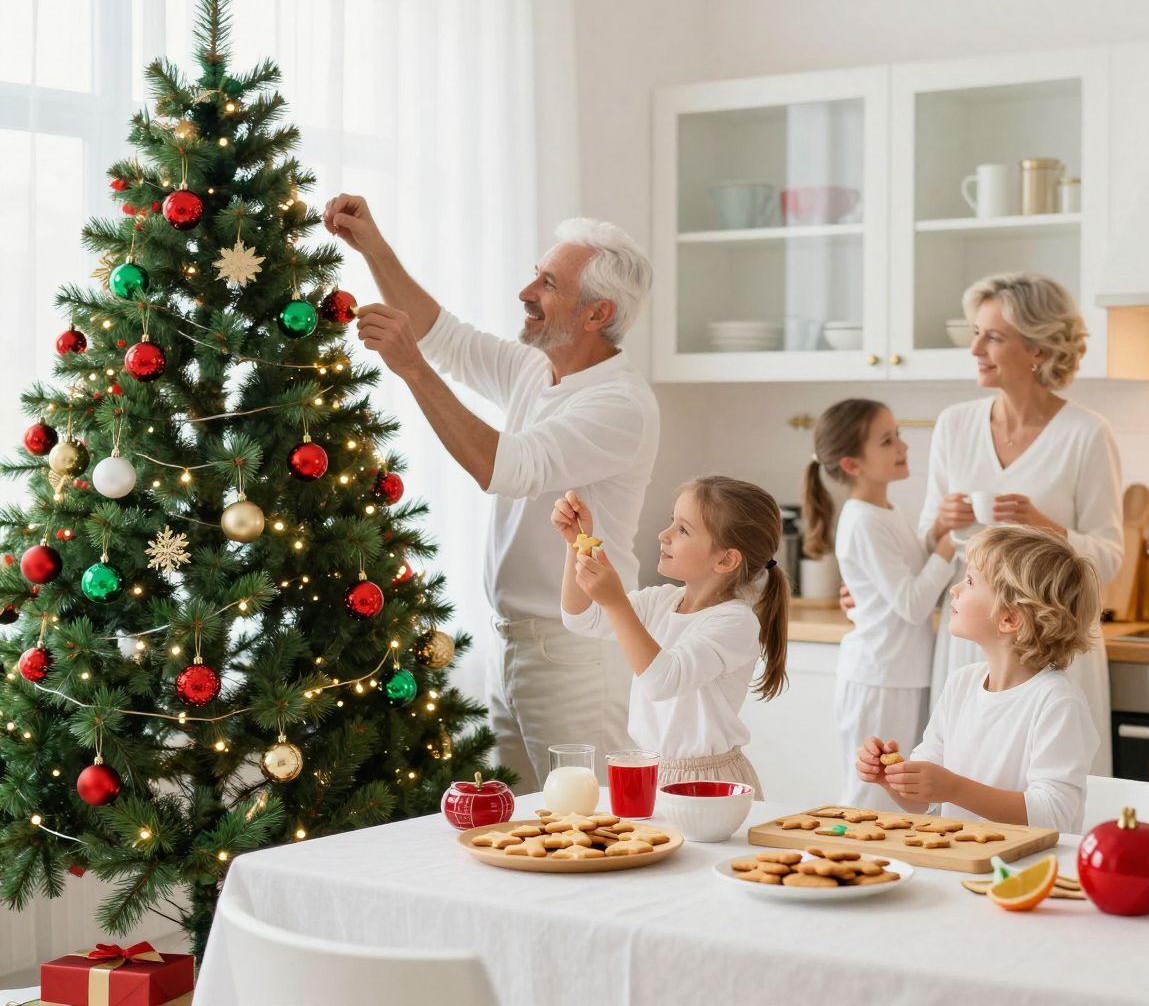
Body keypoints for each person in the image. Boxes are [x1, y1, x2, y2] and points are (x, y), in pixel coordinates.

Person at [324, 193, 659, 788]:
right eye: (535, 273)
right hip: (514, 645)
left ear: (595, 313)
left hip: (576, 654)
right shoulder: (539, 368)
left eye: (548, 283)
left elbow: (504, 466)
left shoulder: (619, 404)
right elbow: (444, 336)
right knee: (526, 837)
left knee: (596, 834)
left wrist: (412, 369)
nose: (526, 292)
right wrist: (372, 246)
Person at [918, 272, 1122, 777]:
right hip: (974, 631)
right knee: (965, 775)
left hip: (1053, 639)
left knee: (1054, 790)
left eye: (993, 336)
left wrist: (1044, 526)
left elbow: (1111, 558)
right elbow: (927, 537)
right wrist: (943, 524)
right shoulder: (954, 424)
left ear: (1037, 349)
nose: (975, 349)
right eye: (975, 333)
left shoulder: (1086, 433)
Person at [856, 525, 1101, 832]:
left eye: (970, 581)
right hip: (963, 861)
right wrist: (892, 779)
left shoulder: (1057, 701)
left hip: (1027, 871)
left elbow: (1053, 813)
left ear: (1010, 618)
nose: (954, 589)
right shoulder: (961, 684)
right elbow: (924, 803)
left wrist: (954, 789)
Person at [555, 475, 788, 797]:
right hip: (652, 771)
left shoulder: (735, 622)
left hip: (711, 781)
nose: (663, 535)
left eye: (683, 529)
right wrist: (576, 544)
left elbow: (664, 680)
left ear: (726, 559)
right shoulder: (661, 601)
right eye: (671, 523)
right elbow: (581, 619)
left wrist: (616, 601)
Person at [801, 399, 954, 809]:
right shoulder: (864, 520)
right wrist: (948, 547)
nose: (902, 446)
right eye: (887, 441)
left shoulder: (886, 510)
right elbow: (912, 603)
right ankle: (853, 866)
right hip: (880, 677)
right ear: (853, 465)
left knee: (898, 795)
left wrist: (936, 534)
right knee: (872, 797)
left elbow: (903, 573)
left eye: (898, 434)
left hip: (899, 672)